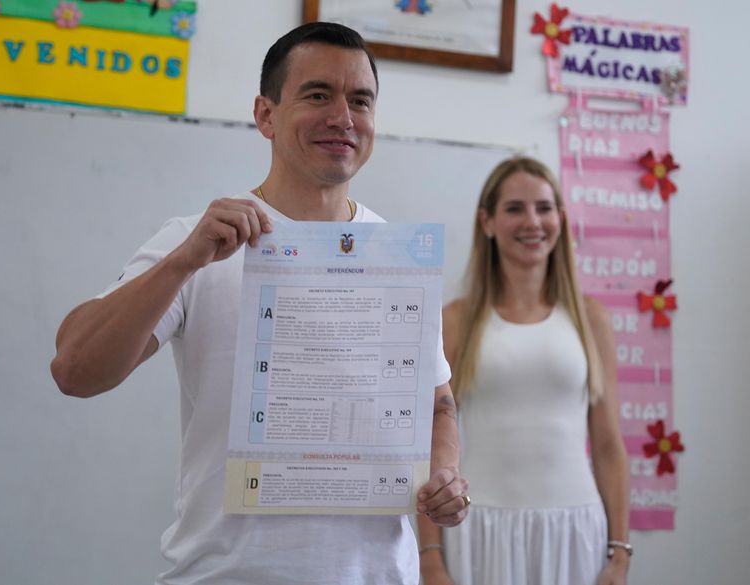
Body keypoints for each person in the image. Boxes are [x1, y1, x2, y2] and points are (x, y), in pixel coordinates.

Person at [51, 22, 469, 585]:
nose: (343, 117)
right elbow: (75, 370)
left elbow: (439, 405)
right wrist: (182, 262)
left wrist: (444, 472)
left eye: (360, 101)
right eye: (318, 94)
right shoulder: (199, 241)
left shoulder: (398, 257)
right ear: (265, 115)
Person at [417, 157, 631, 585]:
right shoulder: (455, 321)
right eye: (515, 208)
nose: (532, 221)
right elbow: (428, 448)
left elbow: (608, 445)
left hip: (576, 531)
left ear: (560, 219)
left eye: (544, 208)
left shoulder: (592, 320)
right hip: (480, 532)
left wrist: (620, 554)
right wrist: (431, 559)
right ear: (488, 222)